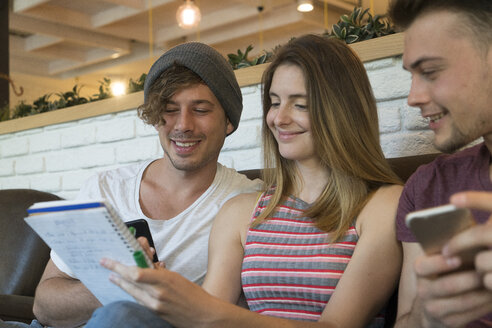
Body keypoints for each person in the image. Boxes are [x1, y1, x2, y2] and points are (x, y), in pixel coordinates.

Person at [85, 34, 403, 328]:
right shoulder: (242, 211)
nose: (279, 118)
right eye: (275, 102)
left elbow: (336, 326)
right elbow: (203, 319)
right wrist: (157, 289)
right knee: (121, 315)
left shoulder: (383, 206)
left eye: (300, 104)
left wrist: (207, 310)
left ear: (342, 110)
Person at [30, 42, 262, 327]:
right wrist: (120, 283)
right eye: (169, 109)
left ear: (229, 120)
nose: (183, 125)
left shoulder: (247, 201)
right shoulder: (106, 188)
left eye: (200, 110)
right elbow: (43, 307)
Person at [387, 0, 492, 327]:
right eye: (412, 75)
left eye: (430, 72)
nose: (413, 97)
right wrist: (428, 315)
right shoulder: (428, 186)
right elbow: (406, 321)